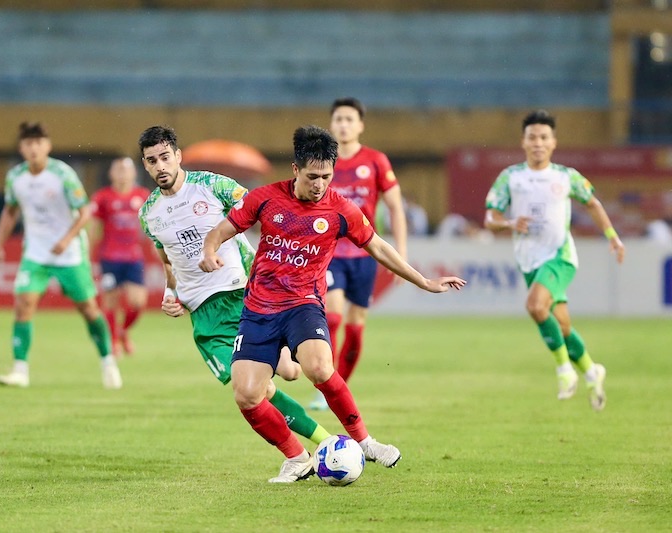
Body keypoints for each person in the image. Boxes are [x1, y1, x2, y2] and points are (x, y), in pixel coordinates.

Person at [199, 126, 465, 482]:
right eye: (312, 177)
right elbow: (221, 230)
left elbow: (379, 247)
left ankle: (365, 442)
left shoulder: (340, 209)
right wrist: (209, 251)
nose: (319, 184)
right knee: (246, 394)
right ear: (295, 169)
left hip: (303, 305)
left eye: (326, 177)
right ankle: (296, 457)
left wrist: (424, 280)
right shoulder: (265, 199)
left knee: (320, 367)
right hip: (259, 309)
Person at [137, 125, 332, 458]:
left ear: (178, 156)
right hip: (205, 316)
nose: (160, 166)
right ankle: (313, 449)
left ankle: (316, 441)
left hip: (246, 294)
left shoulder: (212, 185)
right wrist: (171, 295)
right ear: (145, 165)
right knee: (258, 390)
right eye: (152, 161)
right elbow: (169, 262)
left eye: (165, 157)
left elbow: (263, 208)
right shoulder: (148, 214)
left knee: (290, 372)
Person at [484, 110, 625, 411]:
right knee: (561, 327)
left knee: (535, 306)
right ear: (523, 142)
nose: (538, 142)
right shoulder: (511, 177)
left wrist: (612, 236)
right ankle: (591, 370)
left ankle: (564, 371)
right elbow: (490, 218)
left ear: (553, 142)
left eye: (544, 137)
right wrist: (509, 223)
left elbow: (593, 203)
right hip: (529, 261)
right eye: (532, 137)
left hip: (560, 257)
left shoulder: (566, 176)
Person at [0, 122, 121, 389]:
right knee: (23, 304)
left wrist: (66, 239)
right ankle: (20, 370)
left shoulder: (62, 174)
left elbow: (85, 212)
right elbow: (10, 210)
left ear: (47, 146)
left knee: (88, 308)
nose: (33, 148)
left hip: (69, 252)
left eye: (38, 143)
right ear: (22, 148)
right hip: (36, 252)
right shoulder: (16, 177)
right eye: (28, 143)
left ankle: (108, 362)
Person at [310, 97, 408, 411]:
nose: (343, 124)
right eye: (338, 119)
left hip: (365, 252)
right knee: (334, 315)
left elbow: (395, 206)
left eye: (349, 119)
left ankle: (338, 386)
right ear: (331, 124)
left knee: (356, 324)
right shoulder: (323, 161)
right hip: (330, 251)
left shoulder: (376, 161)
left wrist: (400, 253)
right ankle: (325, 385)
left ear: (360, 125)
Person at [89, 157, 150, 357]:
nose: (122, 173)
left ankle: (123, 331)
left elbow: (154, 227)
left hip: (133, 258)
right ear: (111, 173)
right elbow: (94, 229)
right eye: (118, 169)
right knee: (110, 300)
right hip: (109, 257)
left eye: (126, 169)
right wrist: (89, 258)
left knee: (138, 302)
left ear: (134, 173)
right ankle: (113, 340)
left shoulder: (143, 196)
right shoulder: (102, 197)